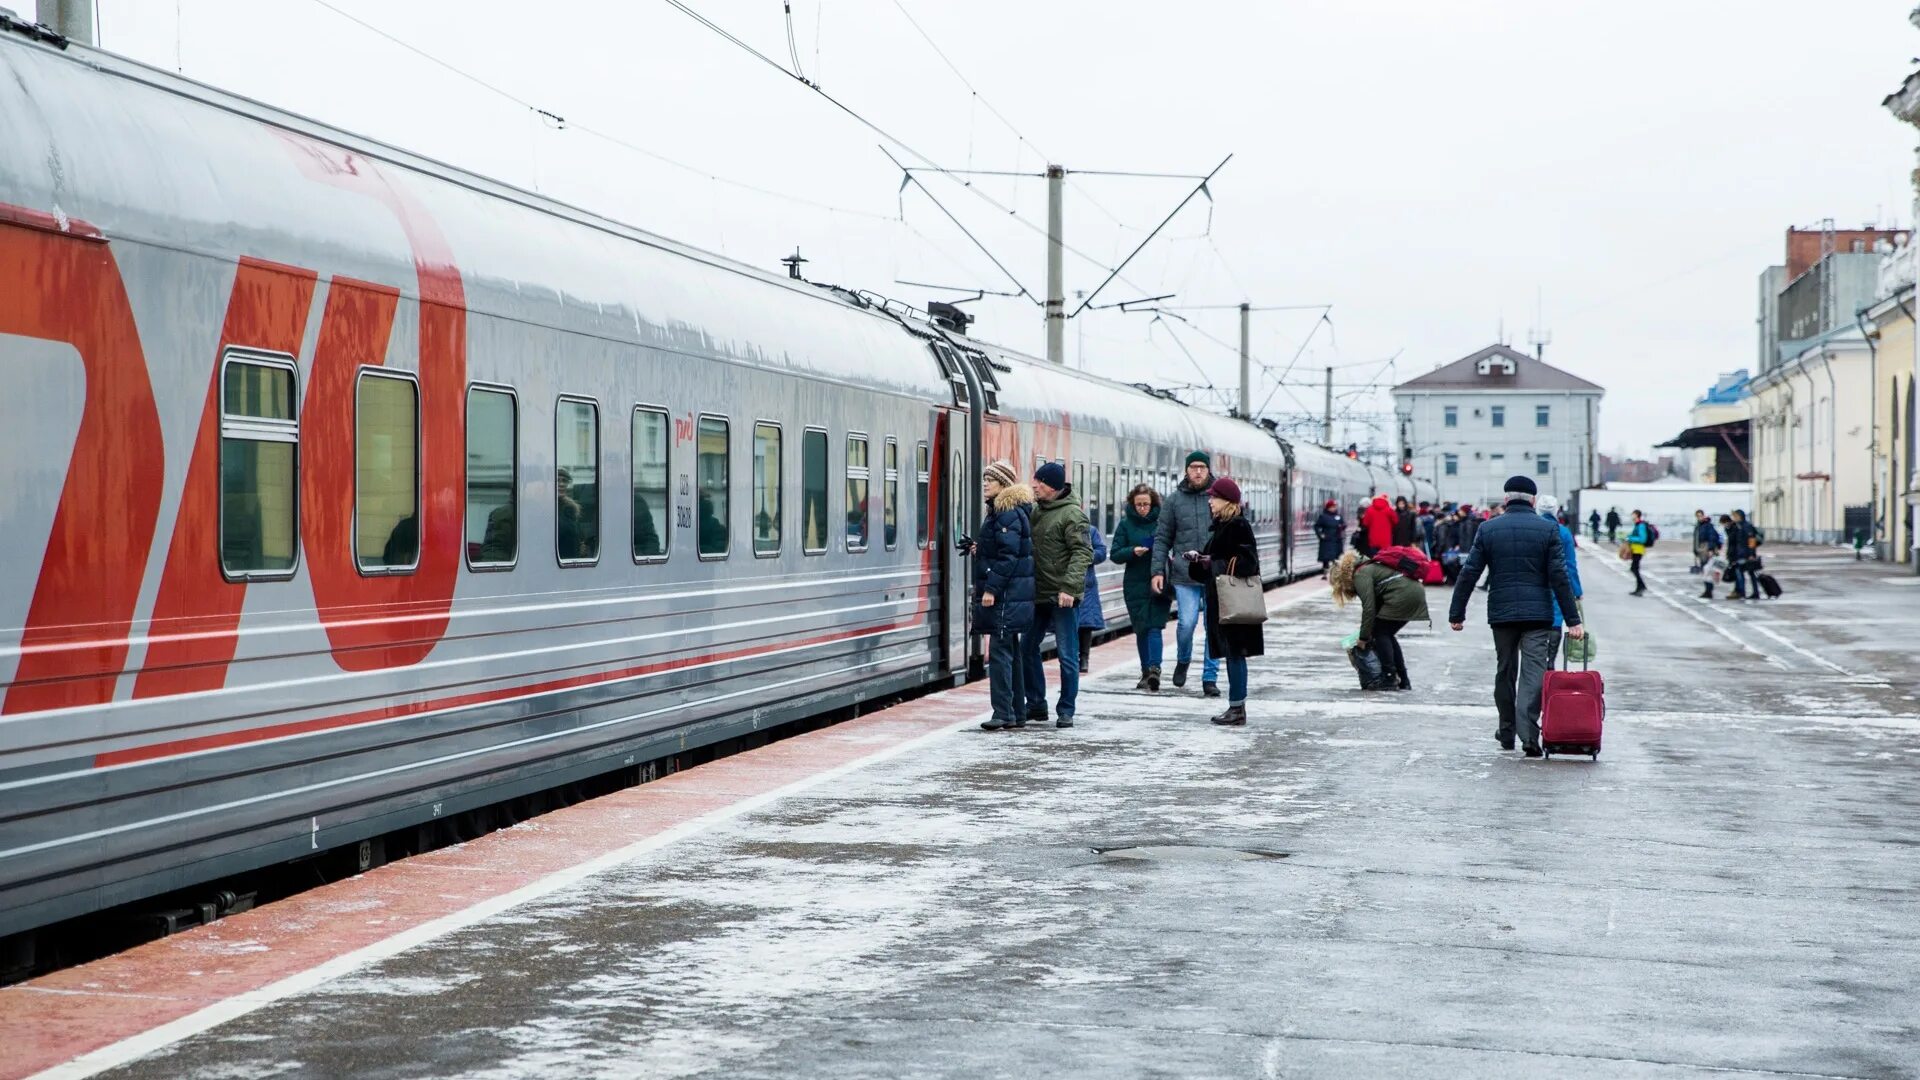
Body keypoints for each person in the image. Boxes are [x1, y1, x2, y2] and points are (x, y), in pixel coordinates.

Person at [1448, 475, 1584, 757]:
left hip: (1503, 614)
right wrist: (1572, 619)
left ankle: (1507, 731)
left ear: (1506, 499)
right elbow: (1560, 577)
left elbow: (1469, 572)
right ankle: (1529, 734)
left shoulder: (1488, 529)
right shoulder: (1548, 531)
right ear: (1533, 501)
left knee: (1505, 671)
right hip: (1539, 616)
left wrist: (1457, 613)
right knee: (1533, 673)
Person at [1186, 477, 1262, 726]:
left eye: (1213, 497)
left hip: (1234, 601)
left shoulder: (1239, 526)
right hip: (1222, 600)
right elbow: (1218, 560)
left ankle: (1237, 708)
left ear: (1226, 501)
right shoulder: (1221, 526)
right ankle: (1235, 706)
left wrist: (1213, 563)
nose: (1209, 501)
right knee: (1231, 654)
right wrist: (1199, 561)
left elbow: (1249, 563)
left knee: (1235, 654)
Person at [1025, 461, 1093, 728]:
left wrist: (1069, 588)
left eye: (1039, 482)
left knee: (1067, 654)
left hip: (1063, 596)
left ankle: (1066, 709)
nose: (1034, 485)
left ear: (1052, 486)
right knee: (1027, 648)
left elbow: (1083, 552)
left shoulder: (1073, 516)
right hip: (1038, 593)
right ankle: (1037, 705)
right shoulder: (1035, 512)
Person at [969, 460, 1036, 731]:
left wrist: (991, 589)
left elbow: (1008, 558)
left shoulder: (1006, 513)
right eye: (985, 478)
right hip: (1013, 593)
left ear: (1004, 485)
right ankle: (1016, 713)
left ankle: (1003, 712)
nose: (985, 483)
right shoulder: (1006, 512)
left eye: (991, 480)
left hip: (1006, 595)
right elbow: (1005, 550)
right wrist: (980, 548)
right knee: (1011, 652)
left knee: (999, 652)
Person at [1152, 451, 1222, 697]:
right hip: (1185, 574)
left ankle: (1210, 677)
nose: (1198, 472)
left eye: (1202, 467)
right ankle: (1183, 659)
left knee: (1213, 626)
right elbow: (1162, 539)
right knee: (1187, 623)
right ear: (1186, 470)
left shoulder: (1219, 498)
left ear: (1208, 470)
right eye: (1193, 467)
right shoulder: (1173, 501)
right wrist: (1157, 570)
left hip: (1215, 574)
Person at [1330, 549, 1429, 692]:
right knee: (1386, 633)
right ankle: (1403, 680)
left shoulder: (1360, 574)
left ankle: (1389, 678)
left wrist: (1363, 638)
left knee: (1381, 633)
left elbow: (1369, 608)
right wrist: (1367, 631)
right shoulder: (1368, 567)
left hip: (1404, 595)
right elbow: (1375, 608)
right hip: (1413, 593)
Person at [1111, 484, 1173, 691]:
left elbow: (1170, 544)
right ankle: (1145, 671)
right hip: (1134, 584)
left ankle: (1155, 669)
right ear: (1132, 504)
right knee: (1141, 629)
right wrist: (1132, 551)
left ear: (1153, 503)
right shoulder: (1125, 525)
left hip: (1159, 579)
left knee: (1155, 626)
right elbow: (1115, 553)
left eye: (1146, 504)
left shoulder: (1162, 522)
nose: (1142, 508)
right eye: (1138, 504)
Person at [1538, 495, 1583, 656]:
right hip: (1558, 581)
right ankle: (1551, 659)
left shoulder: (1534, 529)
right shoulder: (1564, 533)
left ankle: (1539, 656)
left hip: (1537, 581)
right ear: (1556, 510)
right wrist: (1576, 591)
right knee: (1556, 617)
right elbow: (1571, 564)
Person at [1075, 521, 1109, 675]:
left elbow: (1101, 551)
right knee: (1069, 623)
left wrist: (1087, 556)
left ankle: (1084, 657)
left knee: (1085, 624)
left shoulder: (1090, 530)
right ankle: (1072, 656)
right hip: (1066, 582)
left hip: (1086, 584)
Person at [1724, 509, 1762, 601]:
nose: (1734, 518)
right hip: (1740, 554)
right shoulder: (1738, 526)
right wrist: (1728, 527)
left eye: (1735, 516)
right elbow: (1732, 538)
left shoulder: (1746, 526)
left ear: (1739, 516)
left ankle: (1747, 592)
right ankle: (1749, 592)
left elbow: (1751, 540)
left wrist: (1752, 553)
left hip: (1746, 554)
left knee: (1745, 573)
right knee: (1745, 573)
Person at [1692, 509, 1722, 597]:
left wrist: (1711, 549)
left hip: (1706, 549)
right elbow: (1696, 540)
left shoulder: (1708, 526)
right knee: (1704, 570)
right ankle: (1707, 590)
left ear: (1703, 515)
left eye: (1700, 515)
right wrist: (1695, 551)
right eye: (1698, 516)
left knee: (1708, 570)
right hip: (1700, 550)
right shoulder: (1698, 526)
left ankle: (1709, 590)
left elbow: (1712, 537)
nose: (1699, 517)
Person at [1312, 499, 1345, 577]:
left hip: (1336, 539)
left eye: (1335, 507)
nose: (1334, 508)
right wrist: (1320, 535)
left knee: (1336, 557)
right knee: (1326, 558)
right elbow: (1316, 526)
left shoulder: (1338, 516)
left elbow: (1343, 524)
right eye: (1332, 507)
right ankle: (1325, 573)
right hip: (1327, 540)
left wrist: (1342, 527)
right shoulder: (1323, 516)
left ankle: (1335, 573)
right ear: (1328, 507)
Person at [1626, 510, 1651, 596]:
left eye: (1633, 514)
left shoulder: (1641, 525)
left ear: (1637, 515)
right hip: (1635, 549)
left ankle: (1641, 586)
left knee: (1634, 568)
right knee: (1634, 568)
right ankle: (1639, 588)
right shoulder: (1638, 525)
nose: (1631, 516)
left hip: (1638, 550)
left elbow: (1642, 539)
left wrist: (1630, 538)